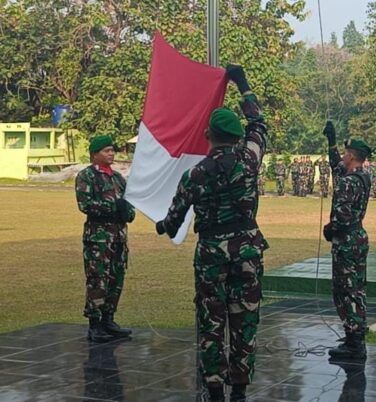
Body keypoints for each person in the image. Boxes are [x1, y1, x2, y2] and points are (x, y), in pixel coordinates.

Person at [156, 65, 267, 402]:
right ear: (236, 137)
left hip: (212, 254)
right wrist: (242, 84)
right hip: (247, 249)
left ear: (210, 135)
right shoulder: (250, 159)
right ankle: (240, 389)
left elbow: (174, 219)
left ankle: (215, 387)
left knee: (212, 321)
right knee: (245, 319)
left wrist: (164, 225)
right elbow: (259, 123)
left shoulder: (197, 174)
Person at [76, 135, 135, 343]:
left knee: (115, 279)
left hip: (118, 237)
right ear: (95, 154)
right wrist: (113, 208)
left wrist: (128, 213)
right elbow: (85, 205)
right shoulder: (87, 176)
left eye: (112, 150)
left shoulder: (118, 178)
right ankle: (95, 323)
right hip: (98, 238)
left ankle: (109, 318)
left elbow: (129, 204)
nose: (111, 154)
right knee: (97, 280)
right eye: (106, 150)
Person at [322, 121, 371, 360]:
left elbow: (341, 216)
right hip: (358, 237)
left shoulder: (347, 182)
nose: (342, 156)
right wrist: (331, 142)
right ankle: (355, 335)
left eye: (344, 153)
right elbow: (336, 165)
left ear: (351, 156)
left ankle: (354, 343)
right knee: (356, 289)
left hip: (346, 240)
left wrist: (330, 229)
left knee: (345, 290)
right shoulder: (362, 176)